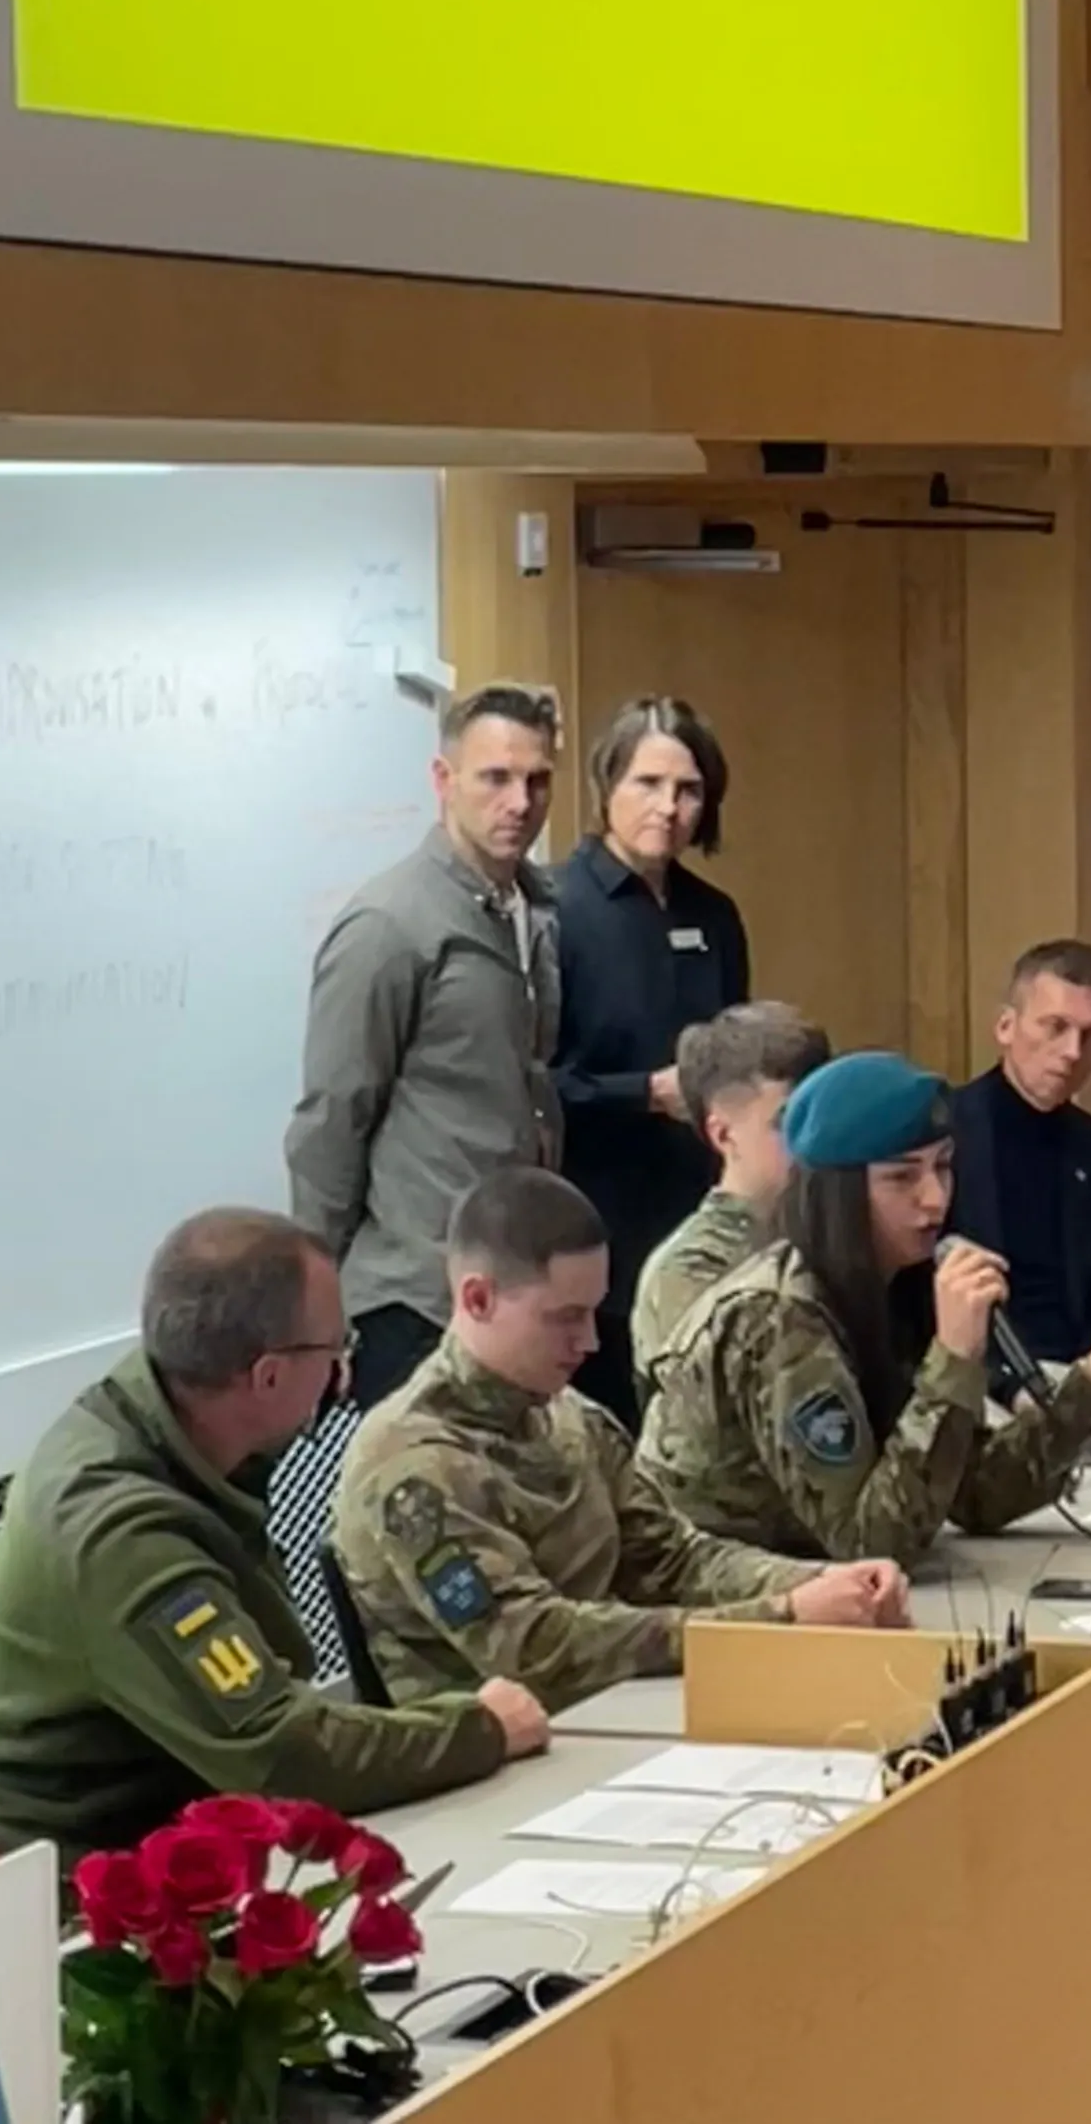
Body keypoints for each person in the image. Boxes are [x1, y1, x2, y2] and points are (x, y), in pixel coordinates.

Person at [0, 1211, 549, 1859]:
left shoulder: (165, 1415)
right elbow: (282, 1758)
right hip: (93, 1889)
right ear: (267, 1376)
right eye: (335, 1350)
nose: (342, 1375)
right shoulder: (120, 1534)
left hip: (180, 1815)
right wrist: (479, 1730)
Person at [331, 1167, 908, 1714]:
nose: (588, 1342)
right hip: (500, 1766)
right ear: (478, 1299)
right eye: (564, 1317)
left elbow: (668, 1559)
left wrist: (819, 1584)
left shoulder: (568, 1415)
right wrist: (780, 1616)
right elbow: (533, 1646)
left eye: (592, 1315)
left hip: (610, 1716)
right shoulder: (412, 1466)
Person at [638, 1053, 1091, 1563]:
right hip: (716, 1607)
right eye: (902, 1179)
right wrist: (954, 1357)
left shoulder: (901, 1285)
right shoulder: (774, 1316)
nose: (935, 1199)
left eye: (945, 1168)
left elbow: (974, 1493)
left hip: (815, 1592)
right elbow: (868, 1539)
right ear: (839, 1194)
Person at [287, 684, 561, 1412]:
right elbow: (331, 1120)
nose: (520, 802)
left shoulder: (535, 911)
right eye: (495, 778)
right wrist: (314, 1313)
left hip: (514, 1283)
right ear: (444, 782)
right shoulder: (390, 925)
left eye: (537, 780)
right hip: (416, 1301)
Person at [553, 696, 750, 1429]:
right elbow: (531, 1083)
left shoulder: (715, 915)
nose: (668, 808)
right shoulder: (556, 908)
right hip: (596, 1217)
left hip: (698, 1213)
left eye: (688, 790)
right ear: (608, 784)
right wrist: (643, 1094)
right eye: (648, 783)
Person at [949, 941, 1091, 1373]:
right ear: (1005, 1026)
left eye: (1089, 1035)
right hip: (974, 1381)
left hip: (1089, 1378)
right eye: (1055, 1027)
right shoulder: (942, 1139)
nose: (1073, 1051)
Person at [631, 1001, 830, 1405]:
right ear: (724, 1135)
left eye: (823, 1115)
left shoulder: (835, 1232)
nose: (813, 1137)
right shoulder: (689, 1271)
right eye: (788, 1122)